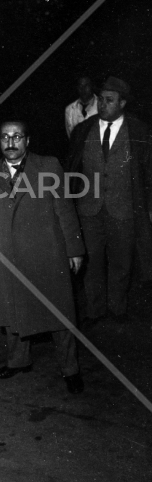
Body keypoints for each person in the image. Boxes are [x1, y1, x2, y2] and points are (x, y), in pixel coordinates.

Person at [0, 121, 85, 394]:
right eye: (5, 137)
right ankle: (18, 361)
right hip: (8, 253)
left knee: (59, 313)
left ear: (27, 140)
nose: (10, 142)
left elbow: (65, 208)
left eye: (17, 137)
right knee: (13, 310)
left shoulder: (48, 165)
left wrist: (74, 249)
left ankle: (70, 369)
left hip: (48, 252)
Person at [67, 76, 152, 324]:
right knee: (91, 262)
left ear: (123, 103)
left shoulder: (139, 131)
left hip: (123, 210)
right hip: (89, 210)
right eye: (101, 100)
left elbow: (148, 171)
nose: (103, 105)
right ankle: (94, 310)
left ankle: (117, 309)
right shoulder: (83, 130)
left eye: (110, 100)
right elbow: (72, 168)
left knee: (121, 262)